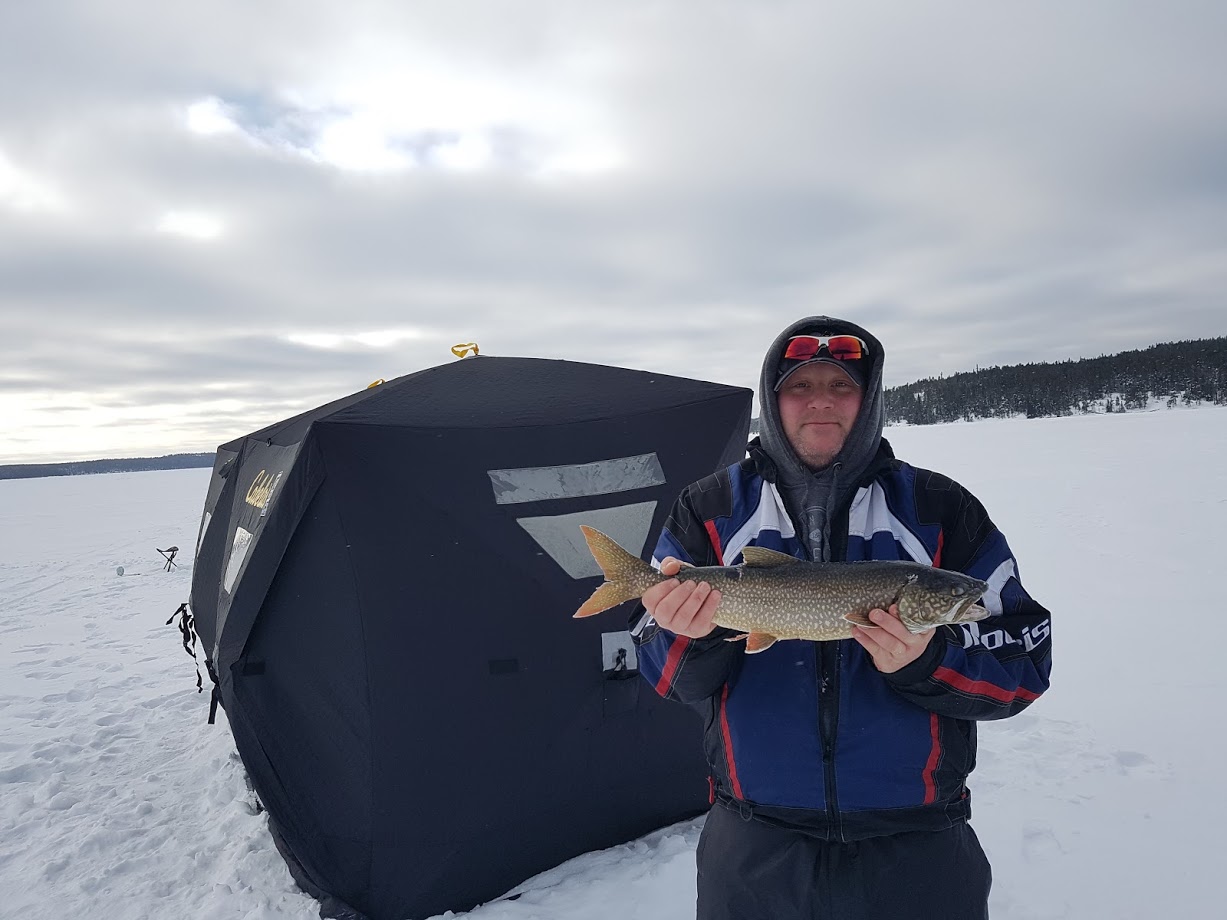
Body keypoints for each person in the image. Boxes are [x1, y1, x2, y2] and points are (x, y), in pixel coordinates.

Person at [631, 316, 1052, 920]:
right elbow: (669, 677)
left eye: (842, 387)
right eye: (801, 386)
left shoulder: (942, 509)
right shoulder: (709, 509)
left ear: (870, 398)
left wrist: (928, 661)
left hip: (918, 847)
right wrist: (688, 638)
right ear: (774, 401)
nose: (821, 402)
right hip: (753, 847)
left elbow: (1025, 665)